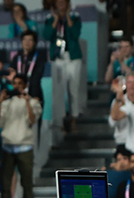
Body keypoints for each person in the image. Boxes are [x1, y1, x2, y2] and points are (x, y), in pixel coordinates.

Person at [0, 74, 42, 198]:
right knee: (5, 184)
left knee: (27, 183)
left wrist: (27, 101)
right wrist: (0, 101)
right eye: (14, 83)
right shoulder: (7, 103)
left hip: (24, 146)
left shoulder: (33, 102)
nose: (16, 86)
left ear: (25, 85)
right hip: (7, 146)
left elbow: (32, 120)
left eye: (19, 84)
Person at [43, 0, 82, 132]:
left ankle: (74, 119)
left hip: (72, 57)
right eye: (58, 1)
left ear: (68, 3)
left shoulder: (75, 17)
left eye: (63, 1)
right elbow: (47, 35)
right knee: (59, 90)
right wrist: (55, 20)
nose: (60, 4)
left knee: (73, 89)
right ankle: (60, 121)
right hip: (57, 58)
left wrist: (68, 17)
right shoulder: (50, 18)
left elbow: (75, 34)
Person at [11, 30, 46, 104]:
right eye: (25, 39)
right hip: (18, 95)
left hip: (34, 93)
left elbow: (36, 77)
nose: (27, 42)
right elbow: (12, 76)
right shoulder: (16, 57)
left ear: (35, 42)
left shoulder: (39, 57)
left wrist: (35, 95)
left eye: (30, 40)